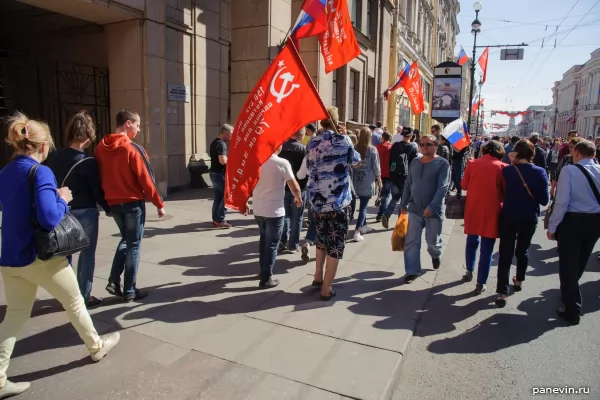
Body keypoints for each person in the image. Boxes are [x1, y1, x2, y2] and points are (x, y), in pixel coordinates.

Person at [0, 113, 120, 399]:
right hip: (41, 258)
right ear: (43, 147)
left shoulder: (5, 172)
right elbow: (50, 216)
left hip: (11, 257)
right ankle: (96, 348)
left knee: (15, 316)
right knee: (75, 302)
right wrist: (62, 198)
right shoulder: (41, 172)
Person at [95, 109, 165, 302]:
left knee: (126, 239)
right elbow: (146, 178)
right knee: (133, 243)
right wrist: (159, 203)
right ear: (128, 123)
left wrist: (105, 200)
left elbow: (98, 176)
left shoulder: (100, 148)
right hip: (132, 202)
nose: (139, 129)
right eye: (137, 125)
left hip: (113, 202)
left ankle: (114, 282)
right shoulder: (132, 148)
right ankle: (129, 290)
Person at [298, 106, 360, 300]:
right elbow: (356, 161)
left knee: (321, 240)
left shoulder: (312, 141)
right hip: (338, 203)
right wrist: (344, 138)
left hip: (317, 203)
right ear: (336, 120)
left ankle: (318, 276)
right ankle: (327, 288)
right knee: (335, 244)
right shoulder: (344, 140)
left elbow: (308, 166)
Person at [49, 111, 110, 308]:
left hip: (62, 209)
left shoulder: (55, 156)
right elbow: (96, 190)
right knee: (86, 254)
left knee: (63, 256)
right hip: (85, 212)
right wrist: (108, 207)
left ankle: (64, 294)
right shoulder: (88, 161)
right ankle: (83, 295)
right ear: (88, 135)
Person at [547, 140, 600, 325]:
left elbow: (561, 202)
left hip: (573, 221)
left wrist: (552, 227)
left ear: (576, 153)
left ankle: (572, 308)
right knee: (581, 261)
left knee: (568, 266)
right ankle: (570, 293)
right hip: (595, 222)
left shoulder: (570, 171)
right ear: (593, 154)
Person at [495, 139, 549, 308]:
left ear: (516, 153)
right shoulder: (540, 172)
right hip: (529, 216)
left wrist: (512, 163)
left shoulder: (509, 171)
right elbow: (545, 199)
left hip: (509, 215)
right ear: (532, 154)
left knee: (505, 252)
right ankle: (518, 280)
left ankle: (502, 292)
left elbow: (503, 191)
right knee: (523, 250)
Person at [250, 145, 303, 289]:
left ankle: (263, 271)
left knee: (263, 239)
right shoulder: (282, 163)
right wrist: (298, 198)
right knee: (272, 243)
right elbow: (294, 186)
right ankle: (266, 277)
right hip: (274, 210)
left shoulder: (257, 162)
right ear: (277, 147)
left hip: (259, 208)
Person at [400, 135, 450, 283]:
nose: (425, 147)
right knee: (411, 241)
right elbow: (408, 183)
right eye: (422, 144)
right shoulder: (415, 162)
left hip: (433, 211)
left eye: (428, 144)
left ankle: (435, 254)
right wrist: (403, 204)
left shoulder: (443, 164)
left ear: (435, 146)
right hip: (415, 208)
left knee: (432, 241)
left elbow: (443, 187)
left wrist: (432, 206)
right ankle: (412, 271)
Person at [461, 141, 506, 294]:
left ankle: (469, 271)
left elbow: (463, 185)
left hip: (473, 208)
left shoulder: (472, 164)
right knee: (487, 248)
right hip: (492, 210)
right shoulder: (502, 167)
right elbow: (506, 190)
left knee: (472, 241)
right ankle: (481, 282)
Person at [381, 130, 418, 228]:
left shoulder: (395, 145)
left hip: (394, 176)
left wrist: (391, 173)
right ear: (410, 136)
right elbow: (414, 164)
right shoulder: (413, 147)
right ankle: (399, 223)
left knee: (395, 198)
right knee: (404, 201)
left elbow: (390, 160)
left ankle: (386, 214)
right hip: (406, 177)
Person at [279, 128, 308, 253]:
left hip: (284, 186)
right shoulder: (304, 149)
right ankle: (293, 245)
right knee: (297, 217)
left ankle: (282, 240)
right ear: (301, 135)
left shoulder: (281, 147)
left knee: (285, 215)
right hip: (300, 187)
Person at [352, 128, 382, 241]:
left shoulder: (355, 148)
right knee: (363, 207)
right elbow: (376, 168)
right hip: (367, 181)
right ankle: (357, 231)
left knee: (361, 206)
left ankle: (363, 226)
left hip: (355, 181)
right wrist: (379, 181)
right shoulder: (372, 150)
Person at [209, 124, 233, 228]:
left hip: (214, 173)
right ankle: (220, 219)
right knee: (227, 196)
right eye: (231, 135)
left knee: (218, 197)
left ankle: (216, 219)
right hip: (220, 174)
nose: (231, 137)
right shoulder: (221, 144)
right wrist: (231, 163)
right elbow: (222, 160)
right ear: (226, 134)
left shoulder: (214, 142)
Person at [376, 132, 393, 222]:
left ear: (382, 138)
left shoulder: (378, 147)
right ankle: (381, 214)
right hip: (389, 173)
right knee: (386, 195)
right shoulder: (392, 147)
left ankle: (380, 206)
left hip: (379, 173)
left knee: (382, 192)